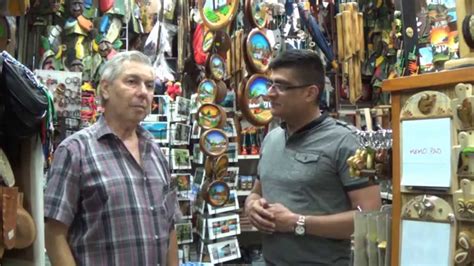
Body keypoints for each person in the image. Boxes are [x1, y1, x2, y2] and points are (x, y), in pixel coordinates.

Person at [245, 49, 381, 265]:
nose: (270, 93)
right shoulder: (271, 140)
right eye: (270, 84)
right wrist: (251, 206)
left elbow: (370, 216)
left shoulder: (346, 142)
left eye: (280, 86)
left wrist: (297, 222)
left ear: (310, 93)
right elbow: (256, 192)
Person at [44, 51, 179, 266]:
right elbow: (54, 234)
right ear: (105, 88)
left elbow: (169, 226)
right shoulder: (75, 151)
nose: (143, 92)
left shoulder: (155, 152)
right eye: (132, 82)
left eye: (150, 85)